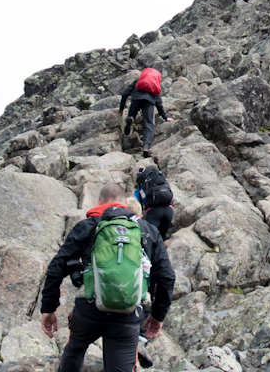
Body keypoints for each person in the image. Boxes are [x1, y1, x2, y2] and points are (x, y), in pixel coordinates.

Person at [40, 182, 175, 372]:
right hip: (127, 315)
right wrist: (157, 315)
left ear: (98, 202)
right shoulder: (146, 230)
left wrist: (48, 308)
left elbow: (56, 267)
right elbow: (167, 277)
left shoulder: (87, 226)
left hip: (88, 312)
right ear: (125, 204)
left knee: (75, 349)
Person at [119, 68, 175, 158]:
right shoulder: (153, 86)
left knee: (131, 115)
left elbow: (125, 93)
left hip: (136, 98)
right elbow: (159, 103)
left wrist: (121, 107)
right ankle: (146, 146)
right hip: (149, 102)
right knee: (148, 124)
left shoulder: (138, 82)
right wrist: (165, 117)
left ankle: (130, 119)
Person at [134, 166, 174, 241]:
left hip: (154, 212)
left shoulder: (141, 188)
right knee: (162, 238)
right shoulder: (162, 181)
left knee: (149, 239)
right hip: (169, 210)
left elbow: (135, 205)